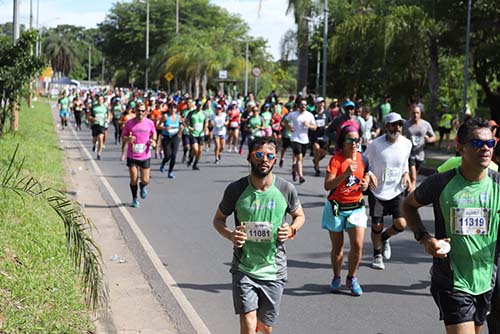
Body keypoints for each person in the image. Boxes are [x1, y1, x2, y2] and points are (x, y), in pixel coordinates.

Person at [402, 117, 500, 334]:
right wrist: (425, 238)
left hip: (486, 280)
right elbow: (408, 205)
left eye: (490, 143)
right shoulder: (441, 182)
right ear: (460, 147)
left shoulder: (498, 184)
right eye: (477, 143)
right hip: (452, 281)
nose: (485, 148)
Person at [212, 137, 305, 334]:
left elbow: (299, 216)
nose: (264, 159)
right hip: (243, 268)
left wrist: (291, 230)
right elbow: (218, 220)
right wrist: (231, 235)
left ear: (274, 160)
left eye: (270, 156)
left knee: (264, 328)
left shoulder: (285, 189)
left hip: (274, 270)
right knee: (248, 321)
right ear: (249, 157)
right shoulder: (236, 189)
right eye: (259, 155)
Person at [322, 126, 376, 296]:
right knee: (338, 247)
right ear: (343, 142)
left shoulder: (363, 159)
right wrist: (345, 174)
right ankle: (336, 276)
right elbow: (327, 185)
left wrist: (366, 181)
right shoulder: (336, 160)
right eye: (350, 140)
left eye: (357, 140)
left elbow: (366, 173)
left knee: (358, 245)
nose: (354, 143)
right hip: (337, 207)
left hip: (356, 207)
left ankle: (352, 277)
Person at [364, 112, 412, 270]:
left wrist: (406, 174)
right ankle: (377, 255)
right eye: (393, 124)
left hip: (396, 189)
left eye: (399, 124)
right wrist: (369, 174)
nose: (397, 128)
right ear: (386, 126)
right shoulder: (375, 145)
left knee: (401, 223)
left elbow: (404, 162)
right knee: (377, 225)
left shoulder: (406, 143)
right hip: (377, 190)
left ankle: (385, 238)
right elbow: (365, 161)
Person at [121, 101, 157, 208]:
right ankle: (134, 199)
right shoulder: (129, 123)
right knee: (133, 178)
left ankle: (142, 186)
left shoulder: (150, 123)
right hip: (132, 155)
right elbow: (123, 137)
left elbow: (154, 133)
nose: (140, 113)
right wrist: (128, 138)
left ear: (146, 112)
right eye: (138, 110)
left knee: (145, 180)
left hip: (145, 155)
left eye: (142, 111)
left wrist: (153, 141)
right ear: (135, 111)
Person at [283, 98, 317, 183]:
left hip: (305, 140)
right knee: (299, 157)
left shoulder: (310, 115)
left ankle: (294, 170)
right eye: (302, 104)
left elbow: (314, 127)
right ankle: (301, 176)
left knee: (301, 159)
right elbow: (285, 121)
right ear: (299, 105)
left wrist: (308, 125)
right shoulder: (293, 114)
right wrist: (289, 127)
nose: (303, 106)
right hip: (295, 139)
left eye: (305, 105)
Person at [404, 104, 436, 190]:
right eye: (413, 113)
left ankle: (408, 190)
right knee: (414, 177)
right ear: (410, 113)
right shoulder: (406, 124)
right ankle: (410, 197)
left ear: (420, 113)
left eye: (417, 113)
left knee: (413, 177)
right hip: (409, 154)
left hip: (420, 154)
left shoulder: (426, 124)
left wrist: (429, 140)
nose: (415, 115)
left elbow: (434, 137)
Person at [158, 102, 181, 179]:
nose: (172, 110)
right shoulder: (165, 116)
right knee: (168, 155)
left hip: (175, 137)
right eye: (171, 108)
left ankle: (170, 172)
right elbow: (158, 126)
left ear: (176, 109)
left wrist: (181, 129)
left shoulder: (178, 117)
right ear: (169, 109)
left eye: (174, 108)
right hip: (166, 137)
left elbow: (182, 125)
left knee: (174, 156)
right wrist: (165, 128)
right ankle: (163, 163)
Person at [310, 97, 331, 176]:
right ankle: (317, 168)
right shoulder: (312, 113)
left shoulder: (327, 113)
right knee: (316, 149)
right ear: (316, 104)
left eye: (322, 102)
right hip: (315, 136)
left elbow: (330, 122)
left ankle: (316, 160)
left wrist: (327, 126)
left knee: (324, 154)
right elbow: (309, 123)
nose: (321, 104)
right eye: (319, 102)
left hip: (324, 136)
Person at [90, 94, 112, 160]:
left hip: (102, 125)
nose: (100, 101)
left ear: (103, 100)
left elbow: (109, 115)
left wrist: (108, 119)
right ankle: (94, 145)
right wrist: (93, 119)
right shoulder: (93, 107)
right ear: (97, 100)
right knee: (94, 138)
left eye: (101, 100)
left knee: (100, 137)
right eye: (99, 100)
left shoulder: (105, 107)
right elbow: (89, 116)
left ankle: (99, 153)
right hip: (95, 124)